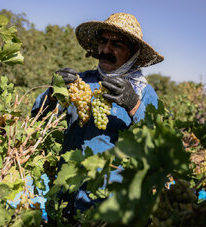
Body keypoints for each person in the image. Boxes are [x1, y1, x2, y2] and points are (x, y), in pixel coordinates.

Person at [31, 13, 164, 215]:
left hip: (110, 201)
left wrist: (134, 105)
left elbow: (159, 141)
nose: (106, 49)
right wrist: (53, 92)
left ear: (132, 52)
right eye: (103, 42)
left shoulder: (141, 92)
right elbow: (38, 118)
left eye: (117, 44)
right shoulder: (81, 82)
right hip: (66, 191)